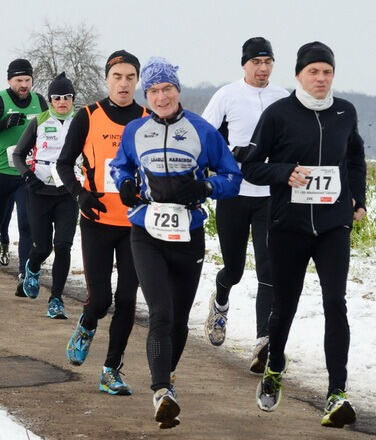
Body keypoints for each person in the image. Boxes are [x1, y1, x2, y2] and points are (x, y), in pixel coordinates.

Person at [111, 57, 242, 429]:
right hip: (146, 231)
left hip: (188, 233)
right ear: (146, 95)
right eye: (153, 90)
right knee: (161, 314)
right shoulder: (135, 130)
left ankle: (167, 381)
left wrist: (205, 186)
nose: (161, 96)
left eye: (167, 88)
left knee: (179, 321)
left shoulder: (202, 130)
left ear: (177, 91)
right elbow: (120, 166)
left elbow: (233, 177)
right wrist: (123, 184)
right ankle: (161, 390)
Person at [243, 42, 365, 429]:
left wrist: (357, 200)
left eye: (327, 72)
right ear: (298, 75)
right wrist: (283, 172)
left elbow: (356, 157)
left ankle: (337, 391)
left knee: (335, 303)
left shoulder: (345, 112)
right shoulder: (279, 114)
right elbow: (251, 166)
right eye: (314, 72)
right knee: (286, 306)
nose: (321, 78)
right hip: (288, 227)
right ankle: (275, 367)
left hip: (332, 226)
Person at [56, 50, 147, 396]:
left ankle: (111, 369)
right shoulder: (88, 116)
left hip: (136, 224)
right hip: (96, 220)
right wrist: (80, 194)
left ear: (137, 81)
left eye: (130, 77)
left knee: (127, 300)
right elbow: (64, 163)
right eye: (117, 77)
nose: (123, 84)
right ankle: (87, 322)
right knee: (101, 299)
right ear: (106, 79)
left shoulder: (147, 118)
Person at [200, 37, 289, 371]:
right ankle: (220, 302)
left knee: (269, 269)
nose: (262, 69)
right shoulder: (227, 95)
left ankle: (262, 343)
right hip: (235, 196)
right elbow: (205, 136)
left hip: (270, 197)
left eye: (268, 62)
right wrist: (227, 157)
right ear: (244, 65)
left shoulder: (283, 98)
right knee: (235, 269)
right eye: (256, 62)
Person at [0, 59, 45, 297]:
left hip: (26, 175)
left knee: (26, 224)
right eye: (19, 81)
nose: (24, 85)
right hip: (1, 173)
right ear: (9, 81)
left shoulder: (40, 102)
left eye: (27, 80)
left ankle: (24, 275)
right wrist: (3, 123)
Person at [11, 72, 78, 319]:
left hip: (68, 192)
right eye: (57, 97)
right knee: (43, 246)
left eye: (67, 97)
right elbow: (19, 155)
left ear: (73, 99)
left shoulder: (81, 122)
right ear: (50, 100)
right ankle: (33, 266)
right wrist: (27, 176)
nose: (62, 102)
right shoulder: (39, 121)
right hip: (39, 191)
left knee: (63, 246)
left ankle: (56, 299)